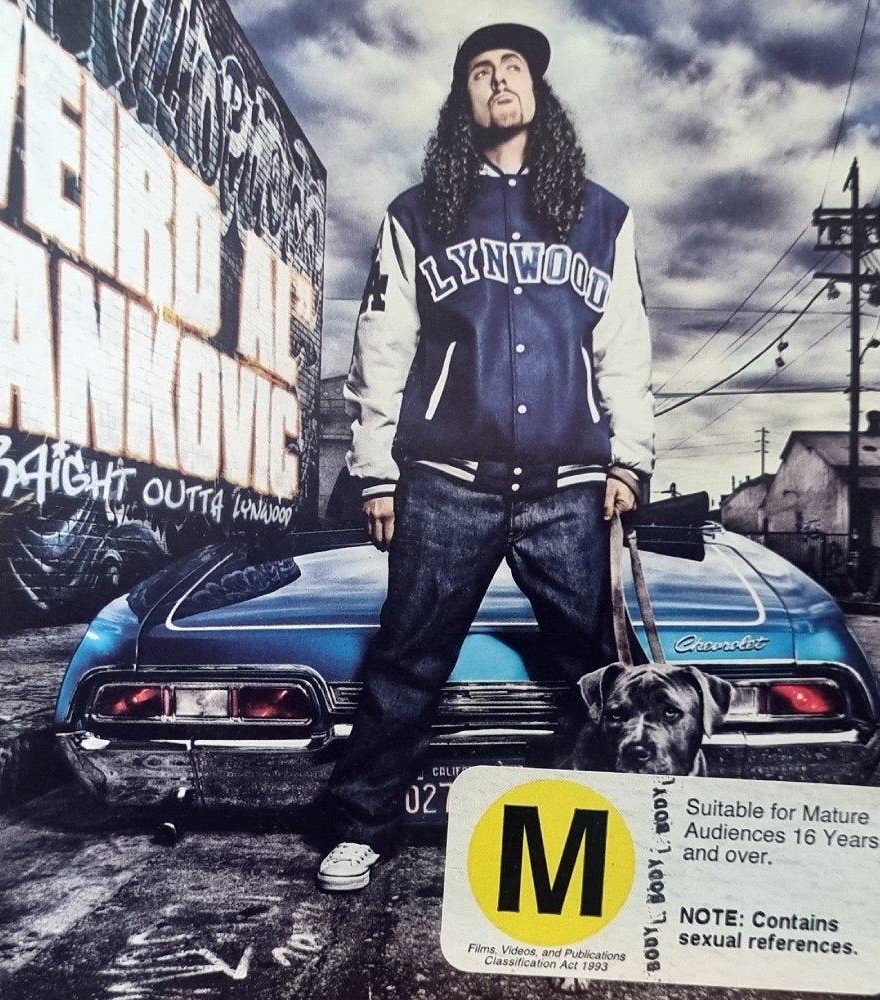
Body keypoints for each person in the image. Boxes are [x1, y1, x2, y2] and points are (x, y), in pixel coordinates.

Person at [316, 23, 655, 891]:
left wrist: (628, 459)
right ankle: (361, 827)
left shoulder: (601, 215)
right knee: (406, 662)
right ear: (461, 99)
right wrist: (376, 472)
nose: (498, 79)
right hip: (446, 483)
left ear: (538, 91)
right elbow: (380, 348)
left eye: (513, 67)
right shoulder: (417, 213)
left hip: (568, 487)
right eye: (479, 70)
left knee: (596, 672)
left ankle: (616, 828)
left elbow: (624, 346)